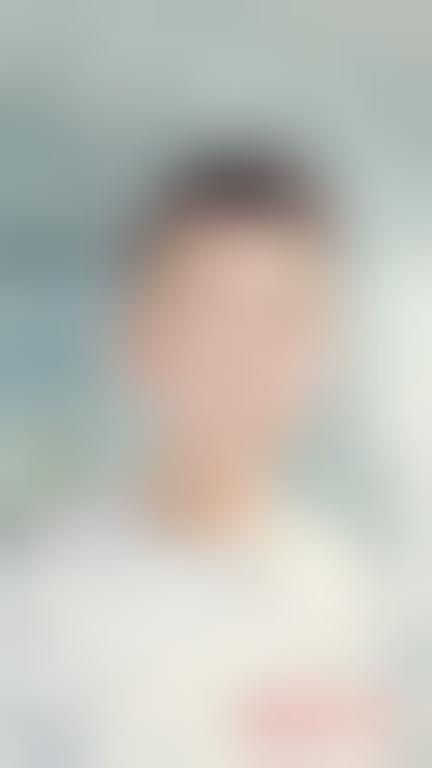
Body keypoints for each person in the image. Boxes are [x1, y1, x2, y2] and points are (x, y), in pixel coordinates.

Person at [11, 147, 390, 766]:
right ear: (137, 335)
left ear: (324, 347)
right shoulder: (41, 614)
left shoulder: (354, 597)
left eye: (279, 319)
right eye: (213, 314)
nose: (244, 360)